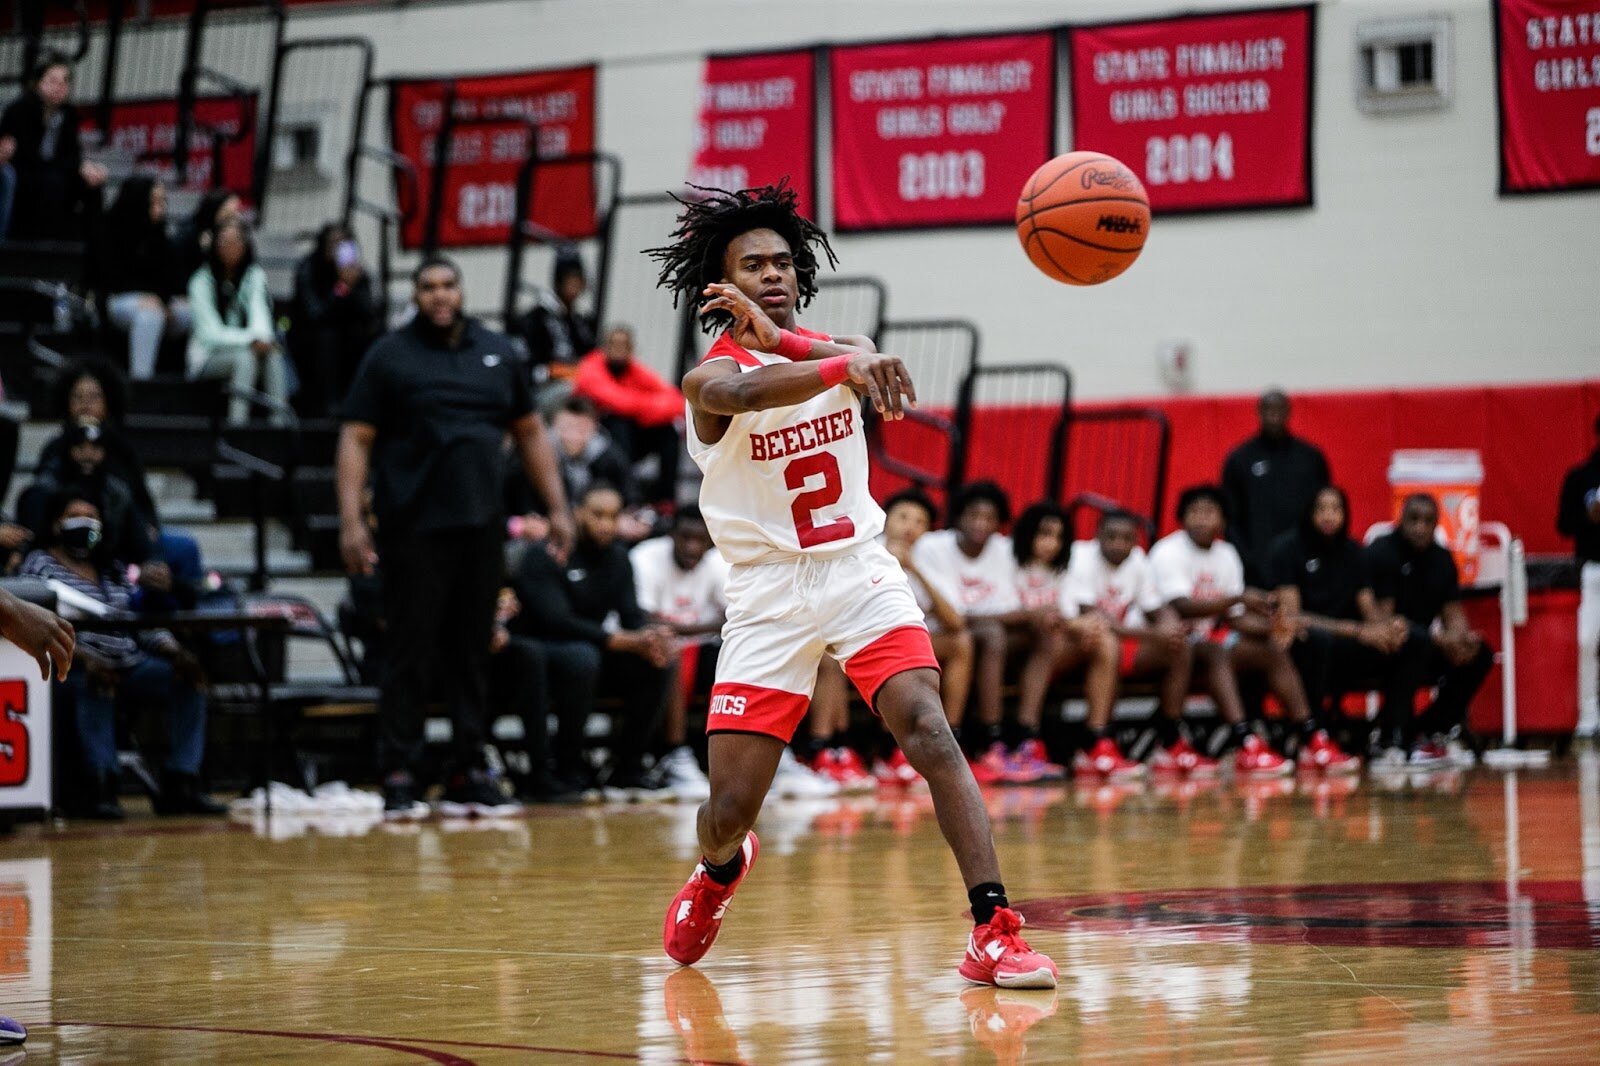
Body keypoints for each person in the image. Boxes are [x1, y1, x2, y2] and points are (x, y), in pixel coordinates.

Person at [647, 182, 1057, 987]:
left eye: (781, 263)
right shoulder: (708, 382)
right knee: (727, 812)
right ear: (718, 285)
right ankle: (721, 869)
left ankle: (995, 928)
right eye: (751, 265)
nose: (772, 274)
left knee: (929, 728)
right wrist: (812, 354)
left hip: (859, 569)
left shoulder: (848, 346)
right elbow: (751, 390)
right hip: (767, 593)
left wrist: (808, 346)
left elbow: (832, 359)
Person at [338, 254, 574, 820]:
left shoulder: (498, 352)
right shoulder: (389, 355)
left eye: (448, 285)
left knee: (474, 650)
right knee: (410, 651)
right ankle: (400, 766)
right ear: (415, 295)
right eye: (428, 287)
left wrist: (559, 508)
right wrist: (351, 520)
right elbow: (356, 438)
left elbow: (529, 432)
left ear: (461, 292)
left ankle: (468, 764)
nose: (440, 295)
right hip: (412, 528)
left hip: (481, 527)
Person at [20, 487, 218, 819]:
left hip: (129, 662)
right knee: (95, 684)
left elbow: (138, 621)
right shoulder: (40, 565)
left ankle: (182, 780)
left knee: (188, 681)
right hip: (72, 665)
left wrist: (174, 651)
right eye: (75, 516)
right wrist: (85, 658)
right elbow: (36, 624)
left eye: (92, 516)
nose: (85, 523)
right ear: (56, 523)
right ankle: (101, 785)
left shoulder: (112, 568)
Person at [509, 482, 675, 799]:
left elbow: (631, 618)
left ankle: (626, 766)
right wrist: (615, 639)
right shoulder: (545, 553)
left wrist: (650, 638)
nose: (605, 524)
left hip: (592, 647)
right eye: (597, 514)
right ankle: (566, 766)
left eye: (613, 516)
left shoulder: (617, 558)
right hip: (538, 647)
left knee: (658, 663)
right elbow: (554, 620)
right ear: (577, 513)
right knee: (582, 658)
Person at [911, 483, 1076, 785]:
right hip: (937, 635)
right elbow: (955, 616)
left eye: (989, 518)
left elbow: (1008, 608)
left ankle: (1026, 739)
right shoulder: (933, 546)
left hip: (984, 636)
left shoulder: (1002, 549)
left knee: (1040, 634)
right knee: (991, 633)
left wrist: (1038, 617)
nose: (980, 524)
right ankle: (990, 740)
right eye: (974, 515)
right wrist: (1028, 614)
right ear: (958, 517)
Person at [1147, 485, 1307, 776]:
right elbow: (1181, 606)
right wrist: (1237, 598)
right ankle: (1243, 740)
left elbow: (1234, 619)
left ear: (1223, 520)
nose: (1201, 519)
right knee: (1215, 651)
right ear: (1182, 517)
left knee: (1271, 649)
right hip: (1165, 644)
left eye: (1209, 513)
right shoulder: (1167, 551)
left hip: (1206, 644)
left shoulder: (1227, 554)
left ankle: (1309, 737)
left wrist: (1275, 626)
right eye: (1194, 512)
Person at [1266, 486, 1407, 771]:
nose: (1329, 516)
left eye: (1336, 509)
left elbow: (1368, 609)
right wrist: (1358, 631)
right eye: (1322, 508)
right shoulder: (1288, 549)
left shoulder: (1353, 552)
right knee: (1317, 641)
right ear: (1309, 513)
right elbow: (1292, 616)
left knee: (1410, 641)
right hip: (1304, 644)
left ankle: (1392, 735)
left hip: (1346, 641)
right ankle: (1312, 737)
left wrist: (1389, 627)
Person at [1062, 510, 1210, 778]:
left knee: (1179, 645)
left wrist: (1169, 626)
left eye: (1126, 538)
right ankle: (1094, 744)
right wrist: (1155, 635)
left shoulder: (1138, 562)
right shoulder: (1080, 557)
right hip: (1077, 645)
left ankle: (1169, 741)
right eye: (1112, 537)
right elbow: (1094, 616)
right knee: (1106, 642)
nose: (1119, 544)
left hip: (1123, 643)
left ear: (1136, 541)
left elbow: (1156, 608)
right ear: (1097, 536)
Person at [1368, 493, 1496, 761]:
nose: (1420, 528)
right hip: (1385, 644)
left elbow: (1453, 612)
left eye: (1427, 521)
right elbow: (1383, 621)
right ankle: (1393, 734)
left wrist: (1461, 639)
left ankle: (1428, 730)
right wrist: (1439, 639)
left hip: (1426, 644)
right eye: (1413, 520)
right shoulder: (1383, 551)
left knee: (1480, 653)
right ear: (1399, 520)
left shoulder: (1441, 559)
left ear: (1437, 524)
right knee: (1414, 640)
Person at [630, 505, 727, 802]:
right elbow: (641, 618)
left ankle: (752, 753)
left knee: (740, 652)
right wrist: (698, 628)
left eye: (699, 540)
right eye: (684, 538)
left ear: (710, 541)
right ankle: (674, 755)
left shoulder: (718, 562)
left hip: (699, 650)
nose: (691, 547)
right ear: (671, 535)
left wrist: (681, 630)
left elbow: (735, 617)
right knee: (667, 649)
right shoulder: (645, 557)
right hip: (643, 651)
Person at [1221, 389, 1331, 584]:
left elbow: (1325, 508)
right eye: (1268, 409)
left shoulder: (1310, 457)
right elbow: (1230, 518)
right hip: (1256, 564)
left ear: (1289, 412)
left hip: (1305, 562)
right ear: (1259, 412)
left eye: (1279, 409)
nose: (1274, 415)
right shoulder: (1240, 458)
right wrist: (1247, 559)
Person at [186, 218, 290, 424]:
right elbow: (210, 334)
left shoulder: (255, 276)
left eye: (237, 241)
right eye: (225, 241)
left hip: (249, 347)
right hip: (208, 356)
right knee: (246, 358)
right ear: (215, 245)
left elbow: (261, 316)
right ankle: (237, 427)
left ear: (246, 245)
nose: (231, 248)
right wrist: (252, 341)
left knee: (274, 355)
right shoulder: (200, 281)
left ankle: (279, 425)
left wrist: (261, 340)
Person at [0, 52, 107, 241]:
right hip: (25, 170)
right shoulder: (21, 109)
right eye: (53, 81)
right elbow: (27, 155)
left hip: (56, 170)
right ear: (38, 83)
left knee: (93, 183)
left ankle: (90, 246)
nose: (59, 87)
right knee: (52, 182)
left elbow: (72, 153)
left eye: (65, 82)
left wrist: (86, 168)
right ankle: (42, 244)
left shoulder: (69, 114)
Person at [573, 325, 684, 503]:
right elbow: (616, 401)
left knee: (668, 430)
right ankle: (626, 496)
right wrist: (649, 406)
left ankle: (665, 501)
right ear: (604, 347)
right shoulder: (590, 367)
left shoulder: (635, 370)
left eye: (624, 345)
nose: (619, 349)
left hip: (629, 440)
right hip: (592, 439)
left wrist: (640, 409)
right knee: (619, 421)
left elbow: (676, 402)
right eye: (614, 344)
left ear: (631, 349)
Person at [101, 177, 190, 380]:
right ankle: (142, 380)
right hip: (120, 299)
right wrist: (151, 299)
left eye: (162, 202)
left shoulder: (161, 234)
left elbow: (170, 277)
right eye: (154, 202)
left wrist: (164, 299)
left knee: (192, 313)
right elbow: (111, 279)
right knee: (150, 316)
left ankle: (191, 382)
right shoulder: (111, 230)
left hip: (157, 300)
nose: (160, 209)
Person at [290, 222, 380, 416]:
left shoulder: (356, 273)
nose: (339, 249)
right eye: (334, 243)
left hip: (347, 333)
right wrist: (341, 289)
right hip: (311, 336)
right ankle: (330, 403)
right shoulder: (308, 268)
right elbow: (315, 314)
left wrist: (353, 285)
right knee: (327, 337)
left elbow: (369, 315)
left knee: (365, 335)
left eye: (344, 244)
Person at [1559, 413, 1600, 740]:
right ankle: (1588, 712)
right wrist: (1589, 517)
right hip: (1593, 569)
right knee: (1588, 641)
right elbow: (1563, 525)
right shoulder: (1580, 477)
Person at [518, 244, 597, 397]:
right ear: (558, 281)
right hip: (544, 391)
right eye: (570, 279)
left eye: (578, 280)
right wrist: (557, 371)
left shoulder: (580, 322)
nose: (575, 286)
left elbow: (592, 358)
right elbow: (528, 368)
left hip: (578, 386)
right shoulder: (536, 318)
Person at [175, 187, 243, 286]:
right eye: (230, 215)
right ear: (216, 211)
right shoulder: (189, 234)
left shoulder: (230, 238)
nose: (236, 218)